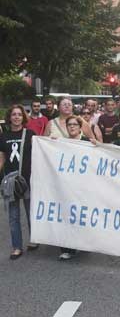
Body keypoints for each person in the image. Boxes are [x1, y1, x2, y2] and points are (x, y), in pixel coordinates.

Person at [0, 104, 37, 259]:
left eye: (19, 114)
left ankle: (34, 239)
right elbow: (1, 157)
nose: (16, 117)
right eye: (14, 114)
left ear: (23, 117)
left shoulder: (30, 134)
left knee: (30, 213)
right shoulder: (4, 136)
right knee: (14, 216)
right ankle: (17, 246)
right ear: (9, 117)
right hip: (10, 180)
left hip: (27, 179)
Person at [58, 115, 96, 260]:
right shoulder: (62, 143)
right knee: (66, 215)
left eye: (75, 124)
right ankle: (67, 248)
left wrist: (97, 144)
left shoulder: (88, 143)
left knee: (82, 215)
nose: (72, 127)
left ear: (80, 127)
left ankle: (84, 243)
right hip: (67, 186)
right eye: (69, 125)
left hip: (84, 186)